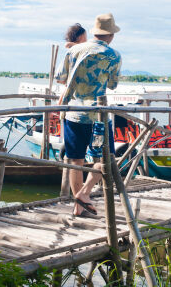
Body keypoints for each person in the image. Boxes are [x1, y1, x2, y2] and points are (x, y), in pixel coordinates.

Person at [55, 13, 122, 217]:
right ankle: (84, 194)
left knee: (76, 160)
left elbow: (61, 79)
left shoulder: (74, 49)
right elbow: (112, 84)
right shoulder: (114, 56)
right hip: (98, 116)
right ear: (111, 35)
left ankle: (79, 202)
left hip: (73, 112)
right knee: (106, 158)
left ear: (94, 32)